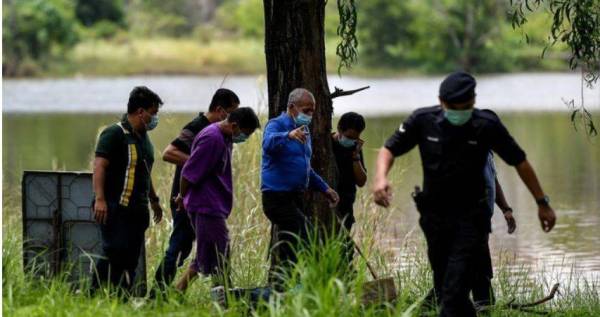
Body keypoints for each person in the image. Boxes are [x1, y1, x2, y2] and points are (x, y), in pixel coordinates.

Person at [373, 71, 556, 317]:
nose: (461, 113)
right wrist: (380, 179)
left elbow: (520, 162)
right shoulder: (422, 120)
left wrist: (542, 202)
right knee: (445, 286)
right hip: (435, 218)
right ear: (441, 102)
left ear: (473, 101)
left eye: (467, 107)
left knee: (452, 290)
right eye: (454, 108)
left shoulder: (486, 125)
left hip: (472, 218)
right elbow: (388, 149)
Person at [152, 88, 240, 293]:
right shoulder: (198, 127)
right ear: (220, 110)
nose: (234, 118)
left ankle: (186, 290)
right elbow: (168, 153)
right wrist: (199, 164)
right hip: (185, 199)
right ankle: (156, 293)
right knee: (179, 247)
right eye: (232, 111)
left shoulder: (222, 132)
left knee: (205, 248)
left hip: (205, 201)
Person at [173, 107, 261, 293]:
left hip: (213, 205)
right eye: (245, 133)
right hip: (206, 206)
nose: (243, 138)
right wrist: (182, 195)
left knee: (210, 252)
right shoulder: (212, 139)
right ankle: (221, 295)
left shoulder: (225, 137)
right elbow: (188, 172)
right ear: (234, 125)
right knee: (219, 251)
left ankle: (213, 292)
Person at [261, 88, 339, 287]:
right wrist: (288, 135)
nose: (310, 115)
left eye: (312, 111)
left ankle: (283, 289)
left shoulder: (304, 132)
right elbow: (267, 144)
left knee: (290, 246)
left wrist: (325, 189)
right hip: (276, 198)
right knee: (308, 235)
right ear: (291, 107)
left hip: (295, 198)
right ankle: (319, 283)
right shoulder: (276, 125)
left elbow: (305, 169)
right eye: (306, 110)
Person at [91, 86, 164, 295]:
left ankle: (121, 300)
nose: (154, 118)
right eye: (153, 113)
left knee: (131, 259)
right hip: (115, 208)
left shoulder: (143, 137)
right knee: (114, 253)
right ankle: (91, 295)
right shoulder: (114, 133)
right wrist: (100, 199)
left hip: (137, 211)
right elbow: (99, 166)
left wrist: (154, 199)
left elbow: (144, 170)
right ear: (141, 112)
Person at [471, 153, 516, 309]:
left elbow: (492, 180)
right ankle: (431, 305)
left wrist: (506, 209)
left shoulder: (486, 150)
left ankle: (485, 306)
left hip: (481, 220)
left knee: (480, 267)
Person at [331, 112, 367, 269]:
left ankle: (346, 283)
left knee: (344, 250)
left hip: (345, 205)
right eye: (348, 136)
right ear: (339, 128)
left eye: (355, 137)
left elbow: (361, 181)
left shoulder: (354, 148)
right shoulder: (326, 144)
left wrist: (356, 156)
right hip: (327, 203)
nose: (351, 140)